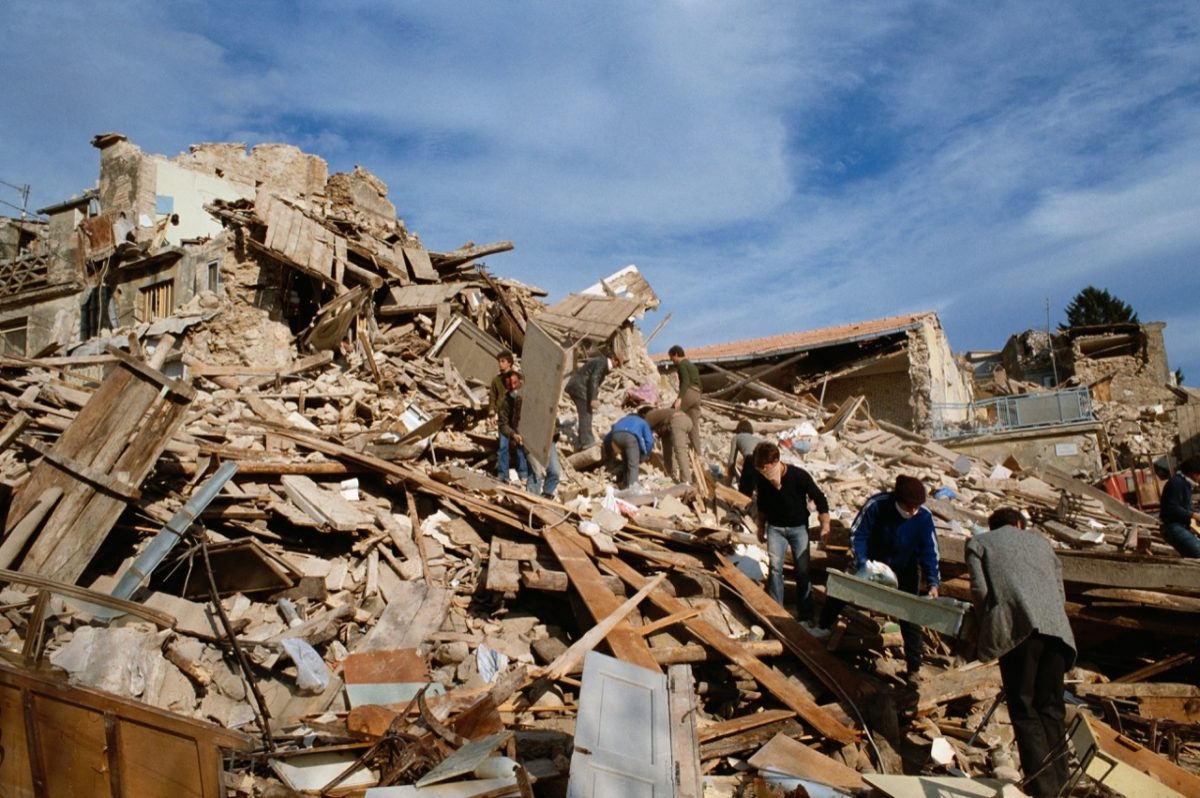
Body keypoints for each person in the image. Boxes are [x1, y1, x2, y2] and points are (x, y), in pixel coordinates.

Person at [967, 508, 1076, 798]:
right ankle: (1061, 785)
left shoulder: (980, 543)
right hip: (1057, 631)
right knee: (1051, 708)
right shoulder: (1042, 543)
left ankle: (1044, 790)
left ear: (994, 526)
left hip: (1017, 631)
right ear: (1019, 524)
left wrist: (984, 622)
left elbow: (979, 590)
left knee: (1025, 709)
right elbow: (1059, 591)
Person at [815, 474, 940, 676]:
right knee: (842, 590)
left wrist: (933, 582)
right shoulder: (877, 505)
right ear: (898, 501)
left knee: (910, 615)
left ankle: (914, 667)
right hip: (872, 561)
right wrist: (863, 563)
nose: (913, 511)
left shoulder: (923, 517)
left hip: (905, 567)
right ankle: (822, 628)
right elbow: (858, 534)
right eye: (909, 507)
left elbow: (929, 552)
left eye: (916, 507)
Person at [749, 441, 830, 623]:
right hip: (775, 528)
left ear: (777, 461)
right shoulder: (762, 479)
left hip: (798, 528)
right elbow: (762, 504)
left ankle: (806, 615)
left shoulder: (798, 476)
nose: (764, 471)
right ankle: (776, 611)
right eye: (760, 467)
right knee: (775, 569)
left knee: (802, 571)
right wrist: (760, 527)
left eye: (767, 467)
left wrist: (825, 525)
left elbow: (819, 498)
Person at [497, 370, 560, 498]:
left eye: (515, 383)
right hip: (527, 439)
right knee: (536, 472)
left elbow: (549, 410)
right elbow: (503, 424)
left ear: (520, 381)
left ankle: (545, 497)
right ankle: (532, 499)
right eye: (509, 386)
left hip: (546, 437)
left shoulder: (536, 393)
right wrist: (513, 434)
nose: (513, 387)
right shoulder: (507, 402)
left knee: (554, 472)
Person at [565, 349, 618, 448]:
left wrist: (593, 397)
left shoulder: (601, 363)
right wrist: (593, 398)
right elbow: (594, 378)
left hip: (580, 388)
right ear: (613, 359)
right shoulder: (602, 363)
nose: (616, 366)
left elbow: (594, 380)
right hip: (579, 388)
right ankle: (586, 441)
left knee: (586, 413)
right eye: (617, 362)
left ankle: (583, 440)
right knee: (586, 414)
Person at [602, 408, 655, 490]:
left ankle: (625, 485)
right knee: (633, 465)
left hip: (616, 436)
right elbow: (649, 441)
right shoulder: (642, 422)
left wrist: (609, 454)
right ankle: (632, 489)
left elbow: (607, 438)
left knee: (626, 461)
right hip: (630, 438)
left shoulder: (622, 420)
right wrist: (645, 455)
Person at [1159, 457, 1200, 558]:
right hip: (1173, 527)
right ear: (1194, 474)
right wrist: (1194, 515)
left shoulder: (1184, 483)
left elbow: (1185, 507)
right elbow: (1171, 508)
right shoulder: (1177, 483)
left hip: (1180, 526)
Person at [644, 406, 695, 485]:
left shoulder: (647, 417)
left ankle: (687, 481)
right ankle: (670, 474)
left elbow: (642, 434)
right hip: (685, 421)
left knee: (680, 451)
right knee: (668, 450)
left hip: (678, 421)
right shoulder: (660, 417)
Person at [667, 345, 703, 456]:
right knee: (694, 426)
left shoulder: (682, 365)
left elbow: (685, 382)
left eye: (671, 357)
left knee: (671, 415)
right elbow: (700, 384)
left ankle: (672, 449)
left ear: (676, 355)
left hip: (688, 392)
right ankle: (698, 453)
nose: (671, 360)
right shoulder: (692, 365)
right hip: (697, 395)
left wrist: (680, 398)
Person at [488, 351, 516, 479]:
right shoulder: (496, 380)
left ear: (509, 363)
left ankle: (523, 473)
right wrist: (492, 414)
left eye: (503, 361)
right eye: (499, 361)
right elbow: (492, 398)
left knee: (519, 447)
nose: (500, 364)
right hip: (503, 418)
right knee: (503, 446)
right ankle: (503, 474)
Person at [730, 419, 761, 495]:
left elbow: (732, 459)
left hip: (751, 459)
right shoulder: (757, 439)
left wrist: (731, 474)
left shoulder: (736, 437)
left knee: (745, 491)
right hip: (764, 461)